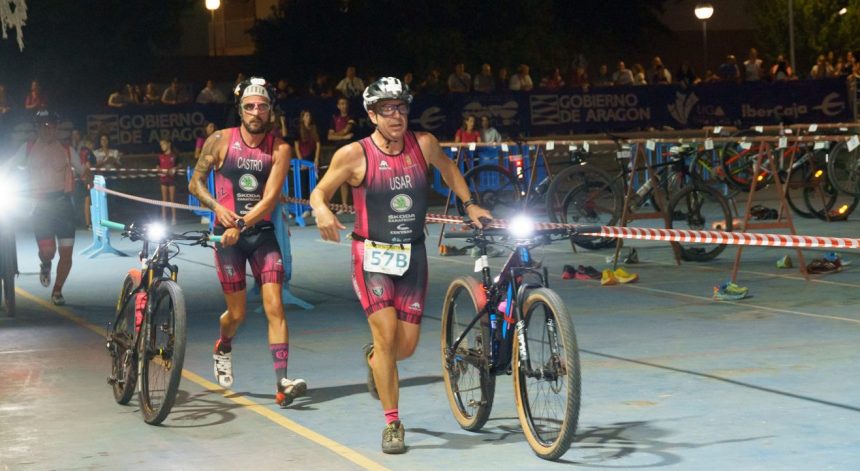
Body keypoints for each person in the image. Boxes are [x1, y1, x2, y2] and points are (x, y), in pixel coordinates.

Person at [308, 77, 492, 454]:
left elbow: (449, 170)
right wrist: (321, 208)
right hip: (370, 257)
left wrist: (469, 203)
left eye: (402, 107)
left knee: (403, 348)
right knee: (387, 335)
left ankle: (375, 361)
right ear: (372, 114)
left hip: (413, 256)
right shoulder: (353, 155)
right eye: (387, 109)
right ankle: (393, 423)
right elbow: (319, 190)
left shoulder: (423, 144)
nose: (397, 116)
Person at [188, 76, 306, 408]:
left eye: (263, 106)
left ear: (271, 111)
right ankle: (223, 345)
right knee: (237, 314)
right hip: (227, 239)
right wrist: (217, 209)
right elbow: (195, 184)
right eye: (250, 106)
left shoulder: (280, 148)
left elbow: (269, 202)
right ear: (240, 109)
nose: (256, 112)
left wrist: (239, 223)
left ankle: (282, 382)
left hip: (260, 235)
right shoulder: (219, 140)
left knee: (275, 307)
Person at [15, 110, 80, 305]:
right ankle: (45, 263)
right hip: (41, 206)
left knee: (66, 253)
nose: (48, 129)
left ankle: (57, 291)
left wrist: (89, 177)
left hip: (63, 205)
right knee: (49, 252)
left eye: (51, 125)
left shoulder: (67, 149)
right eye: (43, 125)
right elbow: (9, 166)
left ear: (56, 128)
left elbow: (84, 170)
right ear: (37, 128)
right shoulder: (27, 148)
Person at [327, 97, 357, 210]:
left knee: (354, 178)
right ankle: (344, 206)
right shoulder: (334, 119)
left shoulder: (352, 117)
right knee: (342, 179)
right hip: (339, 152)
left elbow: (346, 130)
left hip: (351, 151)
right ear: (338, 106)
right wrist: (343, 137)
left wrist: (337, 135)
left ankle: (355, 205)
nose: (343, 106)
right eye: (341, 103)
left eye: (345, 103)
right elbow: (329, 136)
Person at [157, 139, 179, 224]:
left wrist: (175, 168)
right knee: (164, 200)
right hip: (163, 180)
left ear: (168, 144)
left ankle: (174, 219)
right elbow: (157, 166)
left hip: (172, 180)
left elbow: (179, 164)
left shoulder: (174, 155)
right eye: (161, 145)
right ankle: (164, 219)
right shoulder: (160, 156)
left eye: (163, 144)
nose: (162, 146)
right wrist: (159, 169)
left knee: (172, 199)